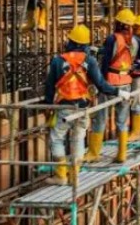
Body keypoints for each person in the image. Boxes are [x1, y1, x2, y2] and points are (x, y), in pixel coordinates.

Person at [42, 25, 127, 185]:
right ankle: (75, 177)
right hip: (82, 107)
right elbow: (101, 85)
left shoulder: (58, 61)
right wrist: (119, 93)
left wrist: (47, 105)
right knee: (78, 139)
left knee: (57, 138)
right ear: (86, 45)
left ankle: (61, 175)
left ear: (71, 41)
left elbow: (49, 86)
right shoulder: (90, 61)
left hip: (64, 107)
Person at [92, 9, 140, 162]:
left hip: (110, 82)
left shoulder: (113, 38)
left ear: (119, 23)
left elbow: (106, 63)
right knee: (122, 119)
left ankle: (94, 152)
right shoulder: (133, 40)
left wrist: (100, 83)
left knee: (100, 116)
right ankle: (122, 154)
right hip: (125, 82)